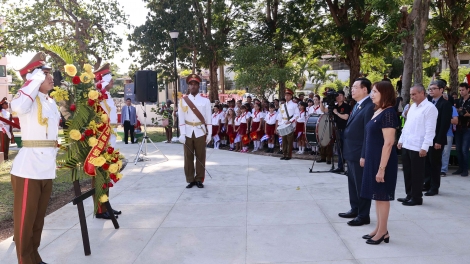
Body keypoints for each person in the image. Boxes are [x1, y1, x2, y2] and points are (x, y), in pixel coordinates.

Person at [10, 52, 59, 264]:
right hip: (28, 169)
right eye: (45, 74)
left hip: (46, 168)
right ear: (34, 77)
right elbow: (17, 107)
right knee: (25, 222)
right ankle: (25, 260)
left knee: (37, 221)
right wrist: (34, 79)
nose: (50, 77)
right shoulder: (26, 98)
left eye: (49, 73)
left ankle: (34, 258)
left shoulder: (50, 101)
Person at [361, 81, 398, 245]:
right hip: (373, 160)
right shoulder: (378, 111)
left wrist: (382, 168)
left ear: (384, 93)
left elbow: (389, 143)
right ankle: (379, 228)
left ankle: (383, 232)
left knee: (382, 196)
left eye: (375, 91)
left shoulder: (389, 113)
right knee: (377, 196)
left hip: (383, 162)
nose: (372, 94)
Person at [340, 77, 374, 226]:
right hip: (351, 151)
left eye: (355, 87)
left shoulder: (369, 106)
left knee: (361, 184)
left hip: (359, 152)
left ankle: (363, 215)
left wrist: (364, 155)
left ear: (364, 89)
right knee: (352, 183)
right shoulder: (358, 105)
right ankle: (355, 208)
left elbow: (368, 134)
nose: (352, 89)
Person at [397, 84, 438, 206]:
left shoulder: (430, 108)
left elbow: (430, 130)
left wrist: (425, 147)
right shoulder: (413, 107)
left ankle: (416, 197)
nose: (412, 97)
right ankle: (409, 194)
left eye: (414, 94)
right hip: (407, 144)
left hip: (418, 146)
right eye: (411, 94)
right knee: (408, 172)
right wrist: (401, 140)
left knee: (417, 173)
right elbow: (407, 125)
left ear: (422, 93)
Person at [93, 63, 121, 219]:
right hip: (102, 140)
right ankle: (100, 209)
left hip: (110, 138)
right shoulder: (98, 96)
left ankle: (106, 206)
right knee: (100, 175)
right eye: (110, 80)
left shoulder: (108, 96)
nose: (112, 83)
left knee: (107, 174)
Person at [178, 74, 212, 188]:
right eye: (191, 84)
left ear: (198, 86)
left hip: (200, 131)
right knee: (188, 156)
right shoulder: (183, 101)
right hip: (187, 131)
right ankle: (190, 179)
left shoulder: (205, 101)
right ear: (188, 86)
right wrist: (182, 133)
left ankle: (199, 179)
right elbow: (181, 118)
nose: (193, 86)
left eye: (195, 84)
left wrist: (210, 133)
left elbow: (208, 118)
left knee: (200, 156)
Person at [422, 80, 452, 196]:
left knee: (435, 163)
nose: (431, 91)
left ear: (441, 90)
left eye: (434, 88)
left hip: (437, 139)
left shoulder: (445, 105)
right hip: (427, 138)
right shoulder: (428, 102)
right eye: (430, 89)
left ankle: (434, 187)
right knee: (426, 162)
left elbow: (444, 124)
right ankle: (427, 183)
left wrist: (439, 140)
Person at [276, 88, 300, 160]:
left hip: (290, 123)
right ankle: (284, 154)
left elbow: (297, 114)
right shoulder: (282, 105)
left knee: (289, 140)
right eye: (286, 95)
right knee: (284, 140)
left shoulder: (294, 105)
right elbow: (280, 115)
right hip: (283, 123)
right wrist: (278, 124)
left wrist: (291, 121)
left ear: (291, 96)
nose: (286, 97)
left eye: (288, 95)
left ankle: (289, 155)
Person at [453, 83, 470, 177]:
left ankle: (465, 169)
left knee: (464, 149)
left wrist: (468, 114)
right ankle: (460, 168)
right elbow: (456, 112)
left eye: (463, 90)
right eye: (460, 90)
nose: (461, 92)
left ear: (468, 90)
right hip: (459, 127)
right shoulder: (459, 101)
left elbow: (465, 113)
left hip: (468, 128)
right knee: (458, 149)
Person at [440, 94, 458, 177]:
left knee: (445, 153)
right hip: (436, 134)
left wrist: (444, 118)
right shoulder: (435, 106)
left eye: (444, 98)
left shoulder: (452, 108)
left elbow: (455, 121)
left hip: (448, 134)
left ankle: (443, 170)